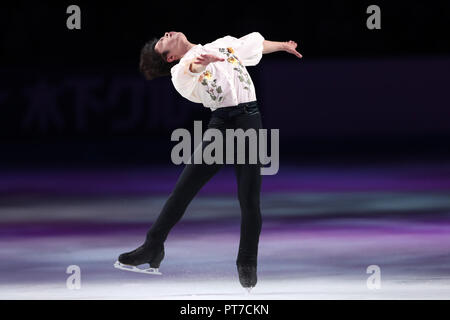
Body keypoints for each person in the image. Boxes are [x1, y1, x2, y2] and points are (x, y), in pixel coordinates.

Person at [114, 31, 302, 291]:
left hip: (250, 121)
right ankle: (152, 247)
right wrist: (201, 62)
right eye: (161, 42)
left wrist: (282, 45)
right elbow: (193, 68)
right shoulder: (179, 72)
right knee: (184, 190)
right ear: (170, 57)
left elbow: (253, 45)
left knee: (249, 198)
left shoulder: (222, 45)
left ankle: (246, 262)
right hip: (222, 125)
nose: (166, 34)